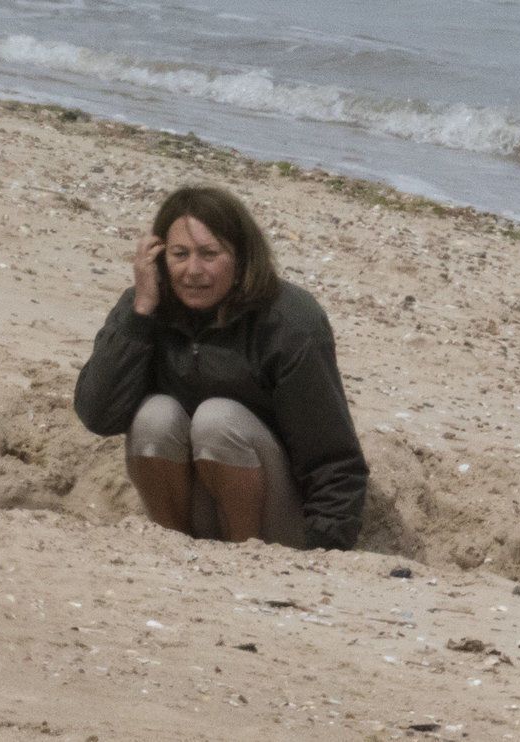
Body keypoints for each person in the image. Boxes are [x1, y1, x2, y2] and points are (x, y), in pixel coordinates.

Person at [74, 185, 366, 550]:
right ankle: (173, 547)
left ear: (241, 257)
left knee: (218, 421)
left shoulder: (290, 322)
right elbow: (98, 416)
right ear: (159, 256)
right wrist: (141, 315)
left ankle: (241, 556)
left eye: (209, 254)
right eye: (180, 254)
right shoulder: (145, 308)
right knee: (154, 416)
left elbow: (333, 455)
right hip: (192, 510)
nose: (193, 270)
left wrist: (326, 547)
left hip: (276, 522)